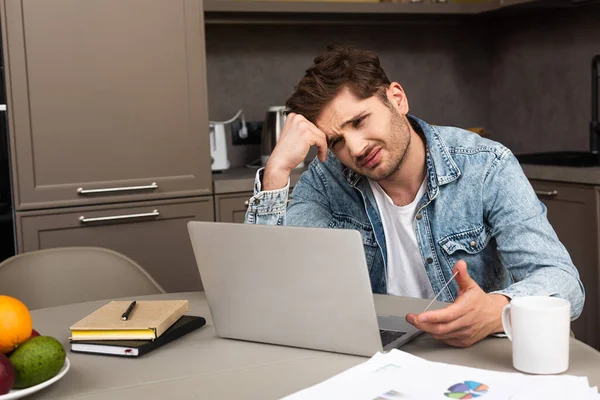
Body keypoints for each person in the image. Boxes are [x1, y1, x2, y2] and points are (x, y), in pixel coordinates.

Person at [244, 45, 585, 348]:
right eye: (337, 142)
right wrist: (276, 173)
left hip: (472, 354)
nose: (356, 148)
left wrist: (498, 310)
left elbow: (562, 280)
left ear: (397, 99)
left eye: (360, 121)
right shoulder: (326, 180)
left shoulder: (486, 165)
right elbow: (266, 289)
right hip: (371, 356)